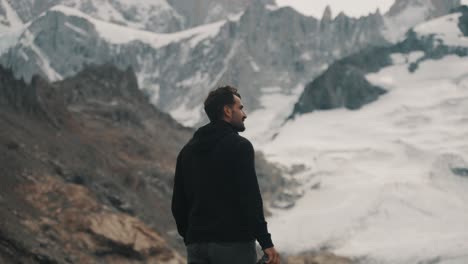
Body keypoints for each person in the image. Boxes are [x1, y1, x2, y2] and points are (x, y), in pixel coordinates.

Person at [171, 86, 280, 264]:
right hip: (234, 244)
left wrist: (192, 238)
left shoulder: (187, 151)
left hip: (197, 246)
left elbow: (178, 204)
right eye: (240, 108)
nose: (244, 114)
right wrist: (266, 242)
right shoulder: (239, 146)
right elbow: (250, 197)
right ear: (227, 111)